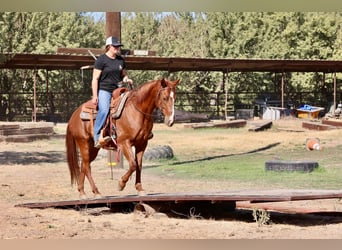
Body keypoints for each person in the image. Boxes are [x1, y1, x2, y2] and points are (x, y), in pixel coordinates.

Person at [91, 36, 133, 148]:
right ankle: (96, 137)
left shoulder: (120, 60)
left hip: (118, 90)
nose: (117, 48)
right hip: (105, 90)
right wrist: (95, 96)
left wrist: (127, 79)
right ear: (108, 46)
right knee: (104, 110)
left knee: (130, 107)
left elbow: (124, 75)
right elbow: (95, 79)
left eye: (118, 46)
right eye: (115, 46)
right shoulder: (101, 60)